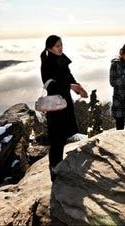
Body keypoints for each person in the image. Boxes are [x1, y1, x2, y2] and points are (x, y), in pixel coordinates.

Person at [40, 35, 88, 182]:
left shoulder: (62, 60)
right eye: (57, 46)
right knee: (56, 139)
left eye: (61, 45)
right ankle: (54, 169)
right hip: (55, 105)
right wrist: (70, 86)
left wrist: (78, 88)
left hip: (65, 103)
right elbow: (50, 86)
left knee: (61, 138)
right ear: (49, 48)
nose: (60, 48)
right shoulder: (47, 64)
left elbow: (69, 76)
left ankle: (59, 167)